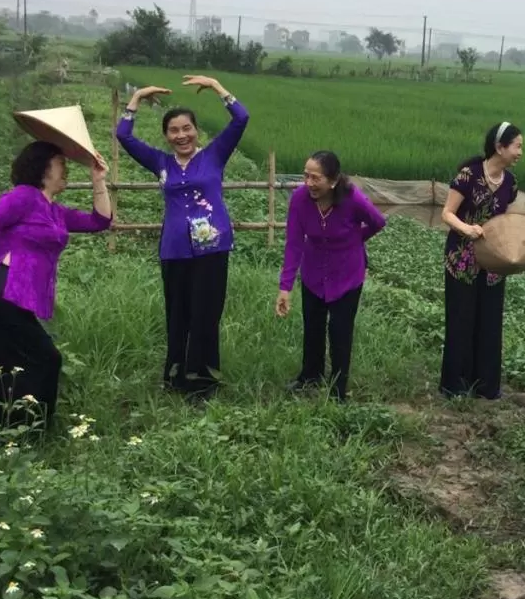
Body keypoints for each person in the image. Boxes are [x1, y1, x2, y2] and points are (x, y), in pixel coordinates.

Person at [0, 141, 112, 428]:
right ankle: (34, 431)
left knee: (9, 365)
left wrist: (98, 180)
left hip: (14, 297)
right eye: (61, 162)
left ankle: (11, 431)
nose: (66, 169)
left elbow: (100, 221)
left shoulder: (55, 212)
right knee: (46, 358)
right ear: (43, 167)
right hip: (1, 292)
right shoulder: (23, 197)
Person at [117, 74, 249, 399]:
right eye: (173, 130)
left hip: (212, 249)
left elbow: (241, 117)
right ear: (165, 135)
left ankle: (203, 381)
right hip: (175, 249)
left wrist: (217, 87)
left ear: (196, 131)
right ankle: (176, 376)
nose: (181, 135)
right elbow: (124, 135)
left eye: (186, 128)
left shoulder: (214, 155)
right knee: (178, 314)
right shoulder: (160, 162)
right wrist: (137, 98)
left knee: (206, 313)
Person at [275, 151, 386, 402]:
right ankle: (310, 376)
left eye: (316, 178)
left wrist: (355, 239)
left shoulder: (352, 199)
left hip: (347, 274)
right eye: (306, 176)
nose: (309, 183)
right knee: (312, 327)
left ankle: (338, 388)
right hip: (314, 272)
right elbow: (293, 244)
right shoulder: (299, 199)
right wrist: (285, 287)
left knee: (340, 331)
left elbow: (378, 221)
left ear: (333, 180)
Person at [439, 121, 523, 399]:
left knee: (489, 320)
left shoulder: (509, 183)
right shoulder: (468, 175)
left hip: (492, 264)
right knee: (461, 319)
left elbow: (504, 220)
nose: (520, 152)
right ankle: (454, 384)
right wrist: (467, 229)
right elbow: (447, 213)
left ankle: (486, 385)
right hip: (462, 259)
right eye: (517, 146)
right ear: (500, 147)